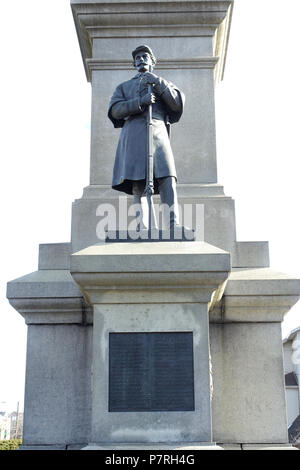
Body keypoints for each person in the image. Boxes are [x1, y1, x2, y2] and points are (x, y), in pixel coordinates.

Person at [108, 45, 185, 229]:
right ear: (134, 63)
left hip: (158, 132)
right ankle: (142, 226)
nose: (141, 59)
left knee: (168, 177)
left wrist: (158, 83)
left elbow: (176, 104)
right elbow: (116, 110)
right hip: (134, 134)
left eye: (145, 56)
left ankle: (173, 224)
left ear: (152, 61)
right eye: (138, 58)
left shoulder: (162, 83)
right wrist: (139, 102)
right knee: (137, 181)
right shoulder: (124, 87)